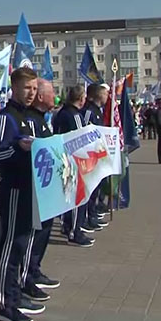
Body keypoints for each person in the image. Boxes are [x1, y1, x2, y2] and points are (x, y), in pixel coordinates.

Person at [0, 67, 44, 321]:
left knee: (23, 245)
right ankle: (6, 303)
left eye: (34, 89)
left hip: (31, 188)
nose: (31, 93)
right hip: (13, 188)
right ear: (14, 87)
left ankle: (17, 293)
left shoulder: (31, 116)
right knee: (12, 246)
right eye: (27, 88)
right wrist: (18, 147)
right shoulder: (7, 117)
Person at [21, 79, 61, 303]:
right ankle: (27, 279)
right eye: (51, 92)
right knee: (34, 234)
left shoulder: (42, 120)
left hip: (47, 188)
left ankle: (35, 270)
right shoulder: (30, 120)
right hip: (36, 187)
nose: (54, 96)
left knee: (44, 232)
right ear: (40, 97)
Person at [51, 85, 93, 248]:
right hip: (72, 160)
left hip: (62, 157)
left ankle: (67, 226)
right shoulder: (74, 115)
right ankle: (75, 230)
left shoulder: (61, 112)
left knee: (67, 196)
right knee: (77, 197)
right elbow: (80, 138)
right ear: (81, 99)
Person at [80, 84, 109, 232]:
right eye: (105, 94)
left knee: (96, 188)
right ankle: (84, 218)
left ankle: (92, 213)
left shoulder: (98, 111)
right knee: (89, 189)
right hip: (88, 156)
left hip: (98, 155)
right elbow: (83, 132)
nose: (107, 97)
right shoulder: (89, 111)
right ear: (98, 95)